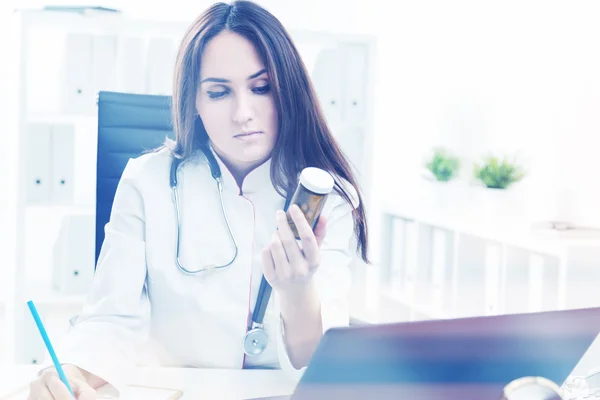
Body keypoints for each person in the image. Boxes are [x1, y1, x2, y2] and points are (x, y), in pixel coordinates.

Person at [27, 1, 369, 399]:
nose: (243, 113)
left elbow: (318, 368)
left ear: (288, 91)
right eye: (219, 92)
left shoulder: (328, 200)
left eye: (261, 88)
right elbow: (111, 319)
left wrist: (297, 292)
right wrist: (69, 372)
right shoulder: (146, 180)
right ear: (194, 102)